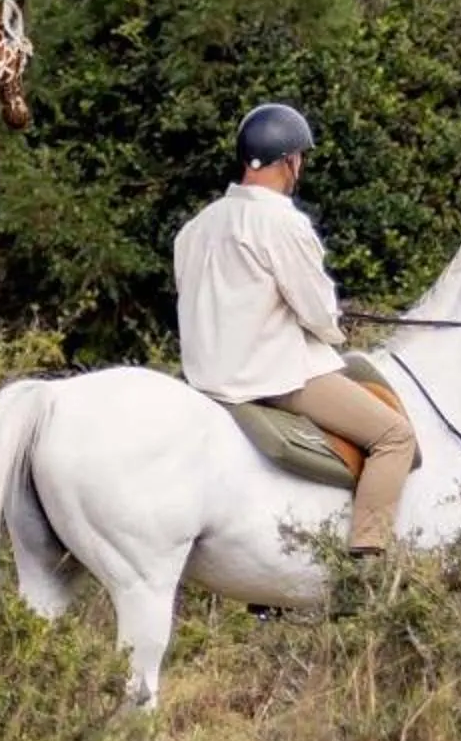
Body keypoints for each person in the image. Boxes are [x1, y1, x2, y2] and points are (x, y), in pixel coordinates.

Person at [172, 102, 418, 558]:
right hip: (270, 379)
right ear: (290, 161)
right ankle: (365, 560)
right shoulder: (282, 221)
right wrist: (335, 326)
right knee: (394, 437)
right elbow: (318, 313)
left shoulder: (195, 226)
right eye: (300, 158)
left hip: (205, 378)